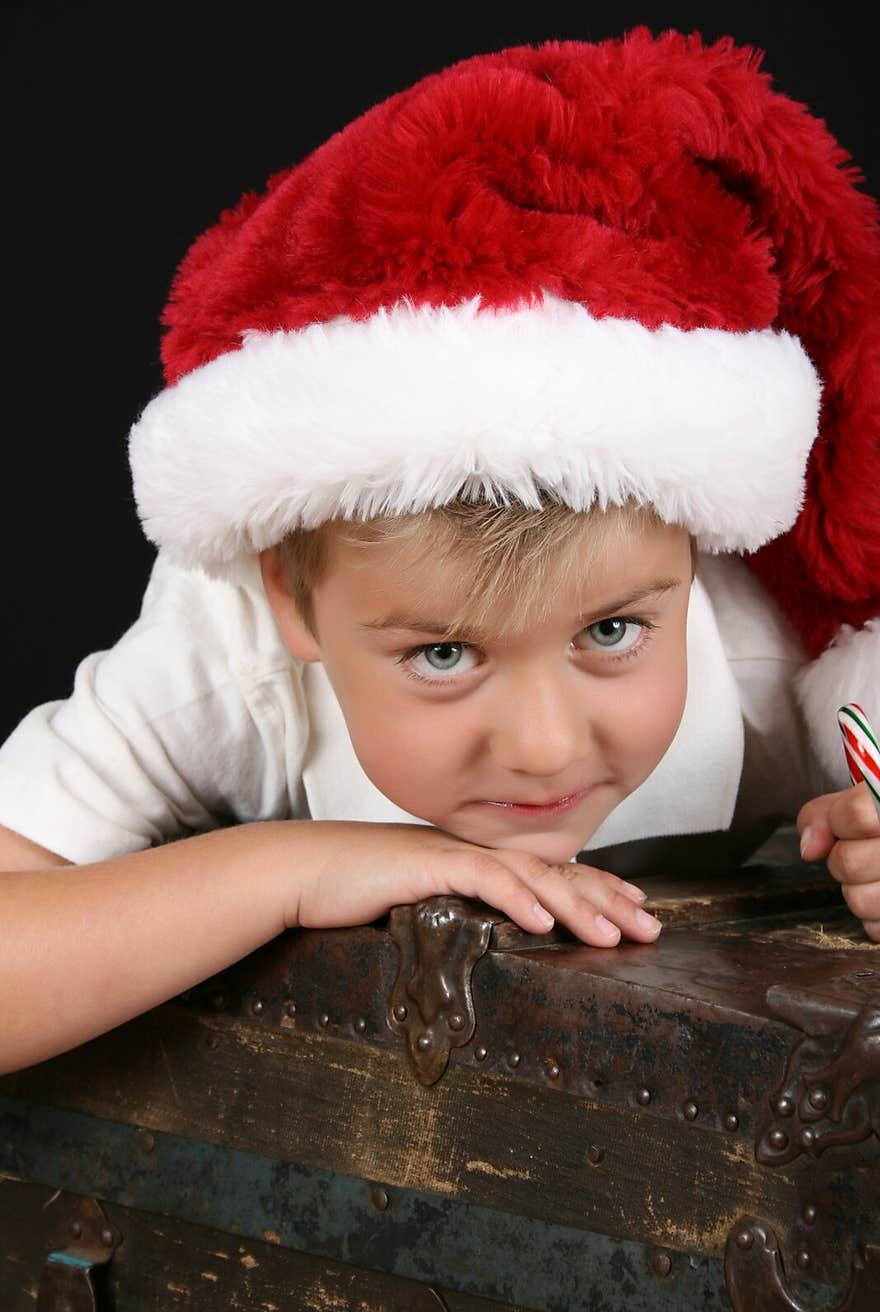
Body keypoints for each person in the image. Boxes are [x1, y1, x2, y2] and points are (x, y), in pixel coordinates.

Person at [1, 27, 879, 1077]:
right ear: (294, 599)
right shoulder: (228, 652)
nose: (545, 749)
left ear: (691, 557)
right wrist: (297, 867)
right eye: (444, 654)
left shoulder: (778, 634)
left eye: (611, 631)